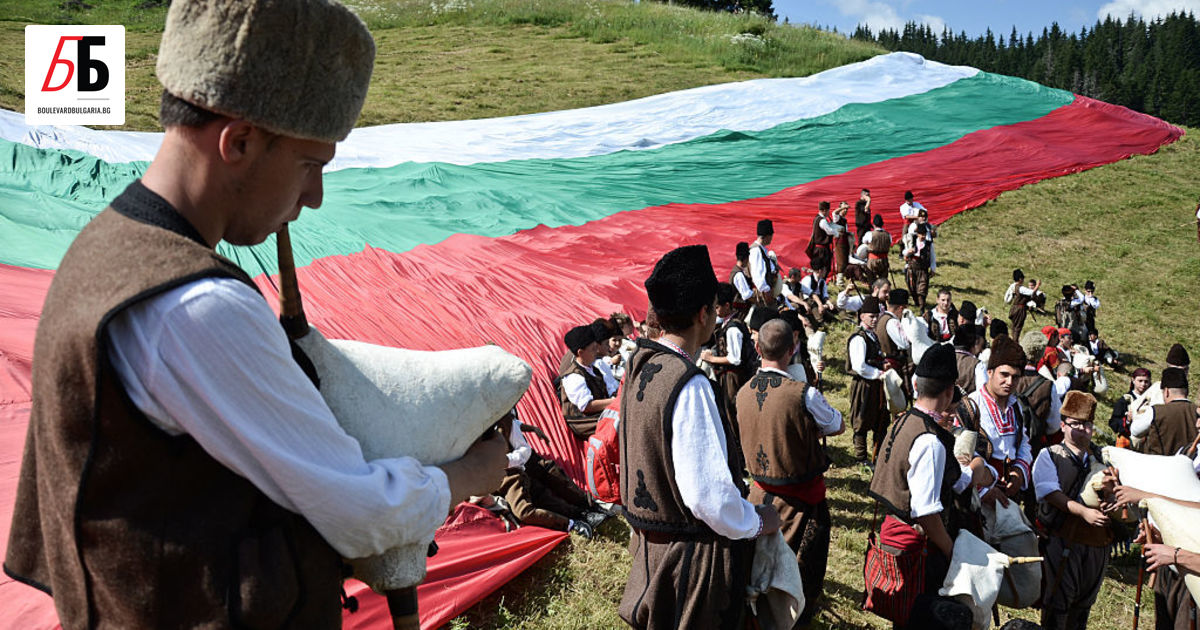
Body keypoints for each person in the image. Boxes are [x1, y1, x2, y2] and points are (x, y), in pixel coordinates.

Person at [4, 1, 511, 625]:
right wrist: (467, 473)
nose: (315, 196)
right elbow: (361, 513)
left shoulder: (108, 246)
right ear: (239, 141)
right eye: (310, 165)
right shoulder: (195, 307)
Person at [619, 245, 780, 630]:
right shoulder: (689, 385)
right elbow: (709, 499)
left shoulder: (641, 362)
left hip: (649, 549)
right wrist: (758, 521)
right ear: (703, 314)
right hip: (688, 562)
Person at [868, 344, 995, 627]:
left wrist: (972, 471)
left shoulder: (902, 421)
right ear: (950, 392)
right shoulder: (929, 441)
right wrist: (953, 552)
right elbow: (925, 510)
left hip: (896, 536)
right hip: (919, 550)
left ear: (916, 385)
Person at [736, 318, 844, 625]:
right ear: (793, 348)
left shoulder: (742, 392)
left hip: (757, 498)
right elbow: (837, 425)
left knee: (760, 570)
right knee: (801, 576)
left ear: (757, 348)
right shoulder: (803, 394)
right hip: (801, 505)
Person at [1031, 391, 1113, 630]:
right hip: (1062, 539)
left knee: (1083, 605)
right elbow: (1051, 494)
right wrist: (1084, 512)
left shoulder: (1103, 458)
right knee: (1058, 602)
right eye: (1076, 423)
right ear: (1064, 425)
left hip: (1096, 544)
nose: (1082, 429)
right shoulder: (1050, 456)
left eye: (1087, 424)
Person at [966, 335, 1033, 507]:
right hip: (977, 493)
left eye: (1015, 377)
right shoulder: (971, 406)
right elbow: (959, 456)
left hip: (1008, 491)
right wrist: (984, 490)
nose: (1009, 382)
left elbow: (1024, 443)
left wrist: (1019, 472)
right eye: (1004, 374)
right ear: (990, 372)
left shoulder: (1016, 406)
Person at [701, 283, 757, 429]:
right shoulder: (729, 323)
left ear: (727, 305)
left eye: (717, 307)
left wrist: (711, 359)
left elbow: (735, 358)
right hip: (729, 376)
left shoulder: (733, 329)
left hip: (734, 378)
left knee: (733, 413)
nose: (716, 311)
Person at [847, 296, 891, 465]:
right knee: (861, 420)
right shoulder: (859, 338)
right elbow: (859, 366)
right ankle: (861, 458)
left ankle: (878, 456)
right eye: (871, 316)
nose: (874, 320)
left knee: (880, 419)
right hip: (864, 385)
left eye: (876, 316)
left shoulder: (873, 336)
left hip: (877, 386)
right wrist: (879, 373)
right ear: (862, 316)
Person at [559, 325, 617, 439]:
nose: (597, 351)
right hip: (583, 421)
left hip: (598, 414)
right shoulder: (573, 376)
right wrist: (614, 402)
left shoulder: (594, 369)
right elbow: (587, 406)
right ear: (580, 352)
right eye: (593, 349)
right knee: (622, 420)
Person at [1131, 367, 1196, 456]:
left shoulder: (1156, 411)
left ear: (1166, 392)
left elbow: (1135, 431)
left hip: (1157, 465)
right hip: (1189, 468)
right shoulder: (1197, 411)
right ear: (1187, 391)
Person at [902, 209, 935, 312]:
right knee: (912, 287)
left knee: (922, 289)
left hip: (923, 268)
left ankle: (921, 307)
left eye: (924, 234)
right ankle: (916, 301)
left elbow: (932, 256)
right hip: (912, 267)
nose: (923, 236)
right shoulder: (912, 241)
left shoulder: (929, 244)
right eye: (921, 234)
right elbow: (904, 252)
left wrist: (933, 268)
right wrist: (908, 251)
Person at [1109, 367, 1151, 442]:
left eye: (1146, 381)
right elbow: (1113, 423)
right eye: (1140, 381)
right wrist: (1127, 420)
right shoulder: (1124, 400)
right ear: (1133, 380)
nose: (1143, 384)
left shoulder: (1152, 400)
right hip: (1128, 440)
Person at [1005, 269, 1044, 342]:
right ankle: (1015, 343)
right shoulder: (1021, 288)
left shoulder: (1015, 286)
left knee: (1014, 327)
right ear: (1020, 279)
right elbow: (1031, 292)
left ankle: (1014, 341)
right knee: (1017, 328)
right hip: (1019, 310)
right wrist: (1038, 285)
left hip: (1015, 309)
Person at [750, 219, 781, 308]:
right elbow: (757, 274)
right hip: (763, 295)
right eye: (771, 236)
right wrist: (766, 291)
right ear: (767, 236)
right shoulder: (756, 251)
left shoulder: (761, 250)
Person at [807, 201, 841, 276]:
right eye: (828, 210)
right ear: (824, 210)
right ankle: (821, 283)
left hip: (818, 249)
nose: (829, 212)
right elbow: (829, 231)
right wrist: (838, 233)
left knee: (820, 268)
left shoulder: (817, 218)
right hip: (822, 250)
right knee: (824, 268)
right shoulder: (822, 220)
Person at [864, 213, 892, 283]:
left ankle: (873, 292)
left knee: (871, 279)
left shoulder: (869, 234)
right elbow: (890, 243)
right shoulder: (888, 235)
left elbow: (864, 242)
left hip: (872, 260)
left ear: (873, 224)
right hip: (884, 260)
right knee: (883, 280)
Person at [729, 241, 754, 317]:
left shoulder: (737, 271)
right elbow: (747, 296)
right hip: (739, 314)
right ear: (746, 258)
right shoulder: (739, 274)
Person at [832, 201, 852, 284]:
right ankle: (839, 281)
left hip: (845, 242)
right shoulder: (837, 217)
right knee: (841, 260)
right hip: (839, 242)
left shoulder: (844, 220)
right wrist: (843, 207)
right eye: (844, 209)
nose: (845, 211)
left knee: (844, 260)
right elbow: (834, 212)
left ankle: (841, 278)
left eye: (846, 209)